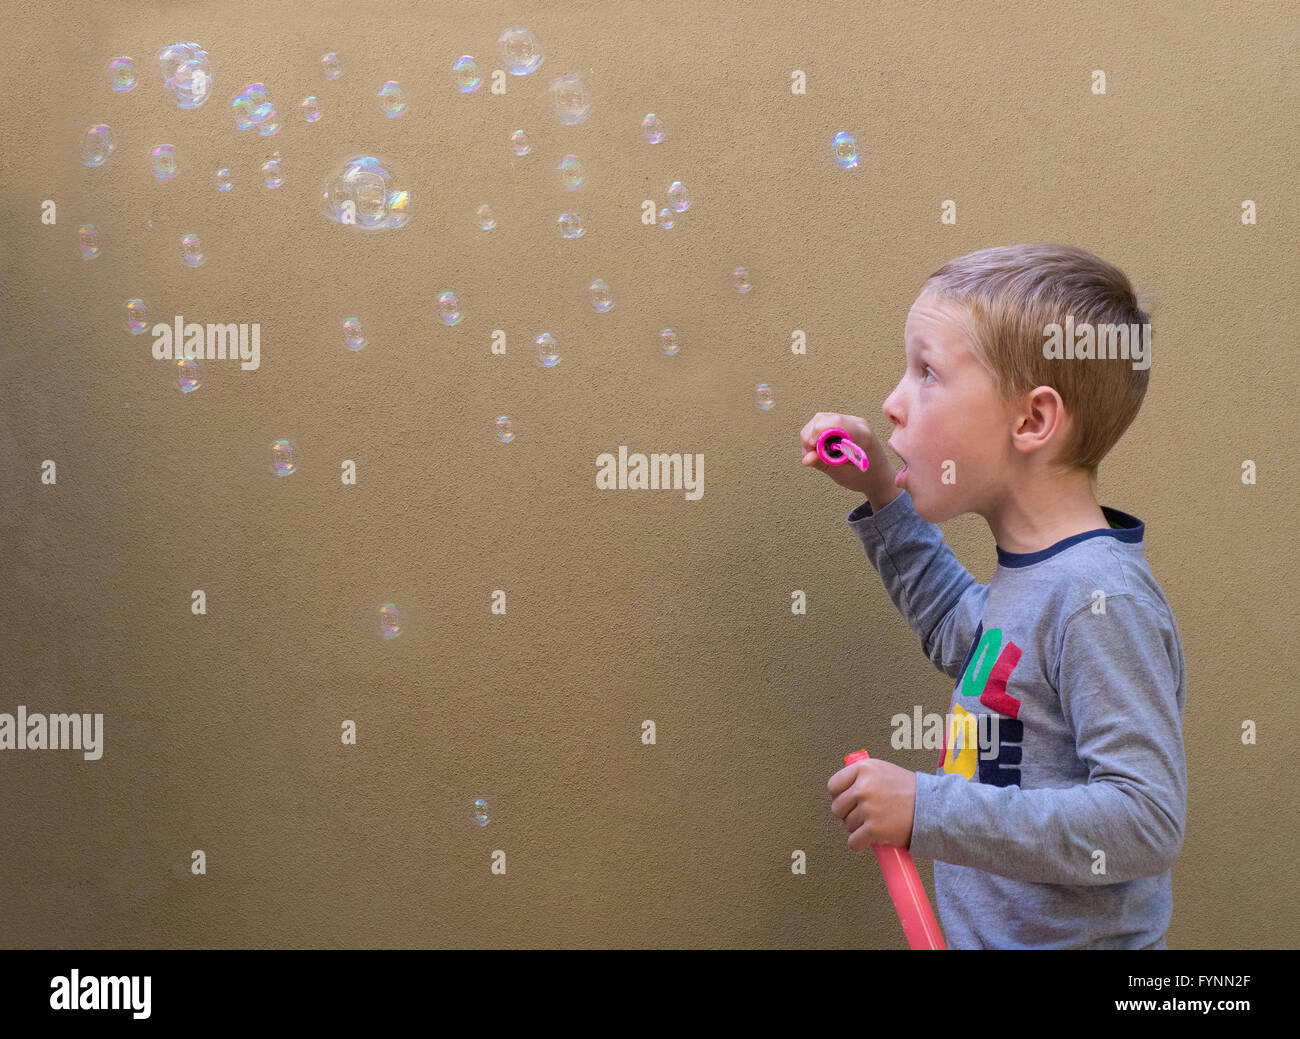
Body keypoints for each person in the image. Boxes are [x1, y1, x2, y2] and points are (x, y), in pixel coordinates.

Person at [805, 243, 1185, 949]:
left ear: (1033, 421)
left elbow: (1145, 819)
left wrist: (927, 807)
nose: (892, 401)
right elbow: (957, 624)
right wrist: (881, 491)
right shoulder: (1037, 578)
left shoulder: (1098, 597)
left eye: (927, 372)